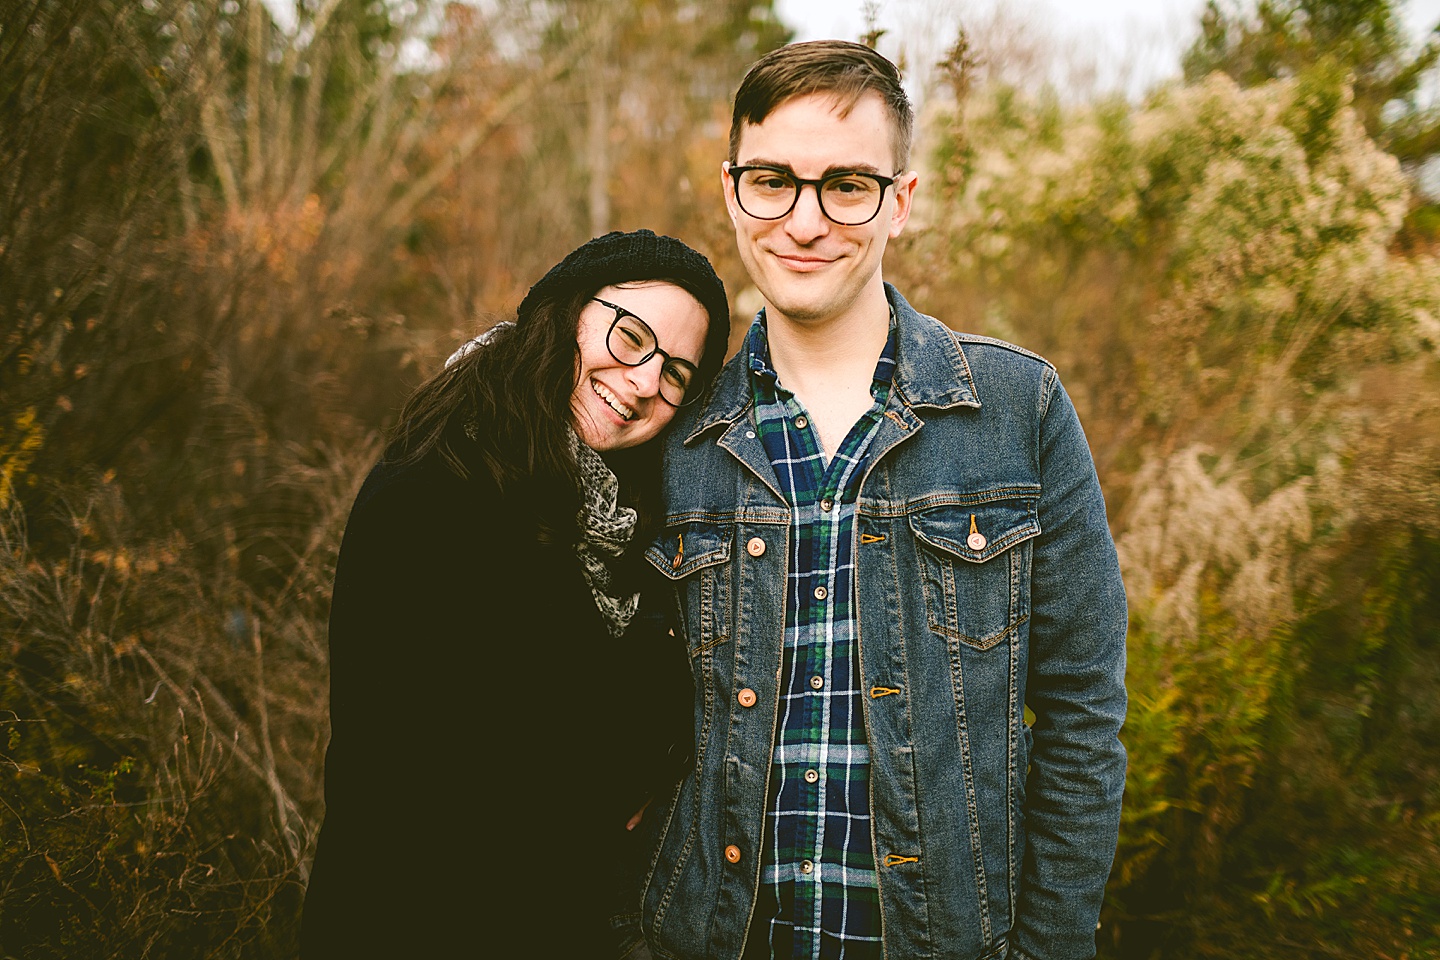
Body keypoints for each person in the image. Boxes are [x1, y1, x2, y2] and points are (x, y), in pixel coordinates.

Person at [636, 41, 1127, 960]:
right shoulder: (675, 434)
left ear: (900, 200)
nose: (805, 221)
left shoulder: (1019, 411)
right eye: (774, 180)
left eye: (847, 185)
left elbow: (1083, 716)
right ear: (731, 191)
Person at [300, 229, 730, 958]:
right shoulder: (442, 491)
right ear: (563, 314)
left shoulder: (603, 517)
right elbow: (517, 772)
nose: (642, 382)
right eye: (631, 337)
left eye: (676, 374)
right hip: (413, 921)